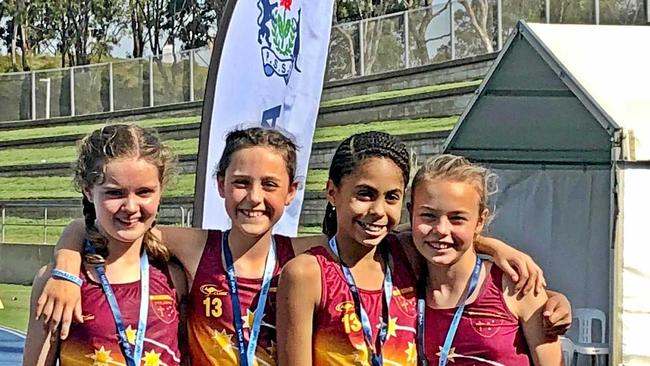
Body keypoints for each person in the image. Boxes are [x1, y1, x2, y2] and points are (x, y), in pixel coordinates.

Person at [36, 128, 565, 366]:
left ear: (293, 193)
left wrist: (496, 248)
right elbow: (117, 228)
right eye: (241, 183)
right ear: (220, 184)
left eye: (270, 186)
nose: (254, 198)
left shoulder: (306, 255)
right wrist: (64, 260)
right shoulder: (194, 250)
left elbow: (425, 234)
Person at [275, 132, 570, 365]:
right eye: (364, 195)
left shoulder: (404, 258)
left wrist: (497, 250)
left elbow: (444, 238)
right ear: (332, 192)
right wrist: (494, 247)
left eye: (390, 197)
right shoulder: (310, 272)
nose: (377, 210)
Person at [23, 124, 186, 366]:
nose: (131, 207)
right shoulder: (59, 282)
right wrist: (66, 265)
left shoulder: (175, 273)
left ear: (161, 191)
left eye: (144, 192)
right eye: (115, 193)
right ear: (88, 191)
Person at [410, 154, 562, 365]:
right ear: (410, 214)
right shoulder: (402, 287)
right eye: (428, 216)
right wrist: (492, 246)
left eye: (457, 218)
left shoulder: (516, 285)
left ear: (480, 221)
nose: (441, 229)